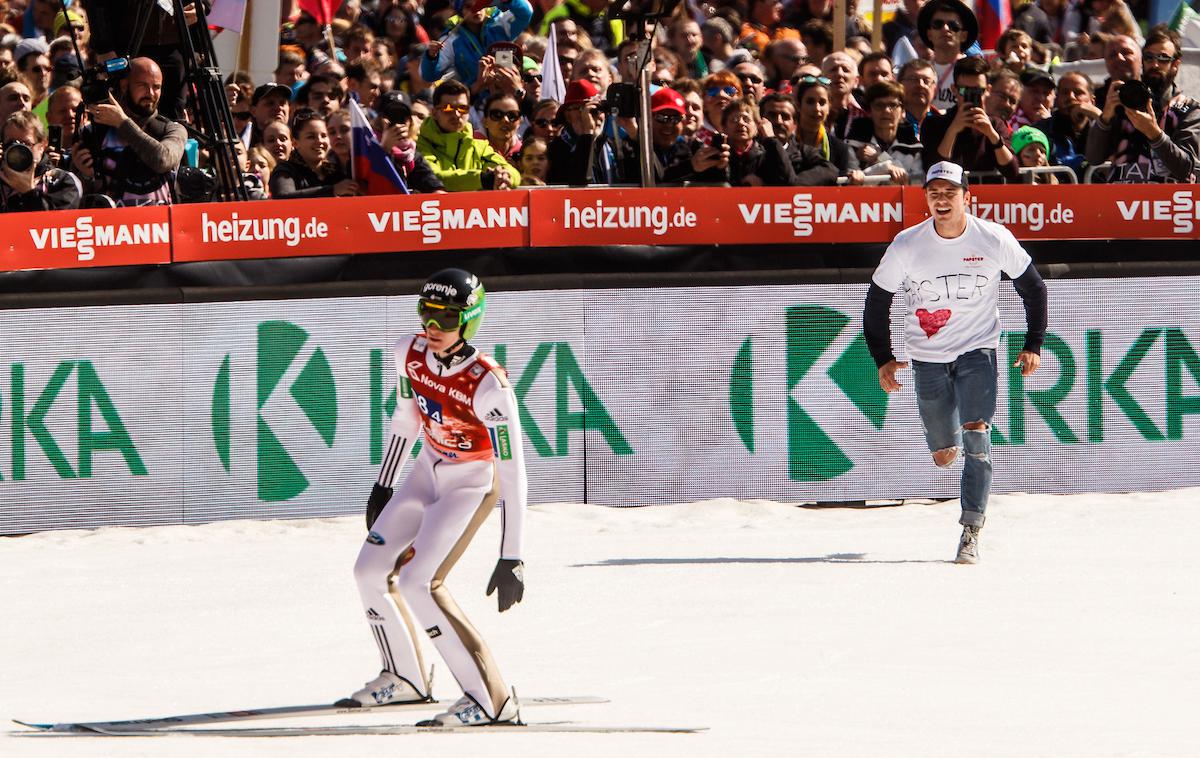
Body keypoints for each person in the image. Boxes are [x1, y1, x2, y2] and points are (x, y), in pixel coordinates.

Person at [347, 268, 526, 727]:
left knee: (419, 583)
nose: (434, 326)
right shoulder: (407, 353)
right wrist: (383, 484)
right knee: (368, 571)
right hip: (426, 470)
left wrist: (513, 556)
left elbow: (513, 471)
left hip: (471, 483)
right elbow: (407, 419)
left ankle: (492, 698)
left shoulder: (489, 385)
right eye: (427, 313)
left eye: (447, 317)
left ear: (469, 321)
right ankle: (405, 678)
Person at [863, 161, 1047, 564]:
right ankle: (946, 453)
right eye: (934, 193)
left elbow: (1033, 287)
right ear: (925, 198)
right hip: (927, 356)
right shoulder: (907, 245)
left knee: (977, 436)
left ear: (968, 197)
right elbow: (877, 300)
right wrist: (884, 358)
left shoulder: (992, 238)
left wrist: (1033, 343)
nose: (941, 200)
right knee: (945, 454)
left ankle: (971, 530)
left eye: (950, 192)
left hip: (978, 349)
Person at [1086, 26, 1200, 184]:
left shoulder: (1189, 109)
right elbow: (1093, 157)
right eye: (1149, 57)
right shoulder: (1125, 100)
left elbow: (1186, 168)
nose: (1155, 64)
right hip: (1121, 202)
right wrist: (1105, 118)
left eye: (1163, 58)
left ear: (1175, 64)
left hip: (1164, 204)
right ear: (1142, 61)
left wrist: (1155, 134)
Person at [71, 57, 187, 205]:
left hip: (161, 225)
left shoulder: (172, 129)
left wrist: (122, 122)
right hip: (114, 225)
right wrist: (85, 176)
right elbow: (76, 198)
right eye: (142, 85)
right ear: (124, 85)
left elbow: (162, 160)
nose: (151, 93)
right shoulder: (94, 132)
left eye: (156, 87)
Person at [920, 56, 1018, 182]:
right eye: (964, 90)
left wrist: (992, 135)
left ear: (988, 90)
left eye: (978, 91)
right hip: (950, 198)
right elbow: (933, 168)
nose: (971, 95)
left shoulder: (996, 125)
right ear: (954, 90)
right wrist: (953, 130)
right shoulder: (934, 124)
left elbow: (1012, 171)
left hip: (987, 199)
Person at [417, 79, 520, 191]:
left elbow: (512, 172)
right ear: (434, 113)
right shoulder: (420, 145)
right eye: (448, 108)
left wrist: (505, 176)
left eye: (462, 108)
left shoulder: (479, 146)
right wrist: (482, 179)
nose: (456, 114)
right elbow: (433, 179)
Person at [422, 0, 532, 89]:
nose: (477, 10)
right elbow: (429, 76)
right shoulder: (451, 39)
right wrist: (431, 57)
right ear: (460, 10)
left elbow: (526, 12)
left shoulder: (500, 23)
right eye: (468, 6)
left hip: (509, 92)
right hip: (476, 101)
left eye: (480, 4)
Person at [268, 110, 362, 199]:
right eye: (311, 137)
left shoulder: (336, 173)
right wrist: (332, 191)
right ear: (295, 143)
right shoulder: (285, 170)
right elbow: (283, 198)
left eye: (324, 136)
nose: (320, 141)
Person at [0, 110, 82, 211]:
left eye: (26, 144)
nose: (18, 150)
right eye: (11, 143)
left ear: (42, 145)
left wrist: (29, 192)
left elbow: (58, 223)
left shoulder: (62, 181)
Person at [917, 0, 979, 113]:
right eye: (937, 24)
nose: (945, 29)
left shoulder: (974, 73)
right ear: (929, 34)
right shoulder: (918, 72)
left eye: (954, 26)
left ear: (964, 36)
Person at [1034, 70, 1097, 179]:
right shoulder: (1039, 132)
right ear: (1057, 99)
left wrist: (1099, 116)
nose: (1071, 97)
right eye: (1065, 92)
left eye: (1078, 92)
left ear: (1092, 101)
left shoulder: (1103, 131)